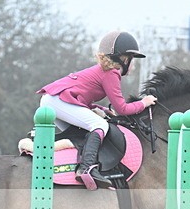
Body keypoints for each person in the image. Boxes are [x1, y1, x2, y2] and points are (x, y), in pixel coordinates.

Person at [37, 31, 157, 190]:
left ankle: (74, 167)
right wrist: (143, 103)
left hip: (54, 100)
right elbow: (122, 108)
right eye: (132, 59)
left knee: (80, 133)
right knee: (101, 126)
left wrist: (101, 109)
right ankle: (86, 168)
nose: (133, 65)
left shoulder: (104, 71)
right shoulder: (112, 73)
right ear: (124, 59)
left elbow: (81, 100)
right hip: (57, 101)